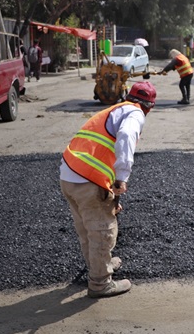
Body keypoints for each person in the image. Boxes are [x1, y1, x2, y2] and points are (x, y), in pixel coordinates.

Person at [60, 81, 157, 298]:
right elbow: (126, 137)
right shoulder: (135, 114)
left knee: (87, 229)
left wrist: (111, 193)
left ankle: (99, 265)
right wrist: (122, 177)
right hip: (88, 181)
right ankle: (100, 283)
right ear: (149, 106)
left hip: (68, 176)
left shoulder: (113, 110)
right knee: (103, 231)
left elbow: (102, 154)